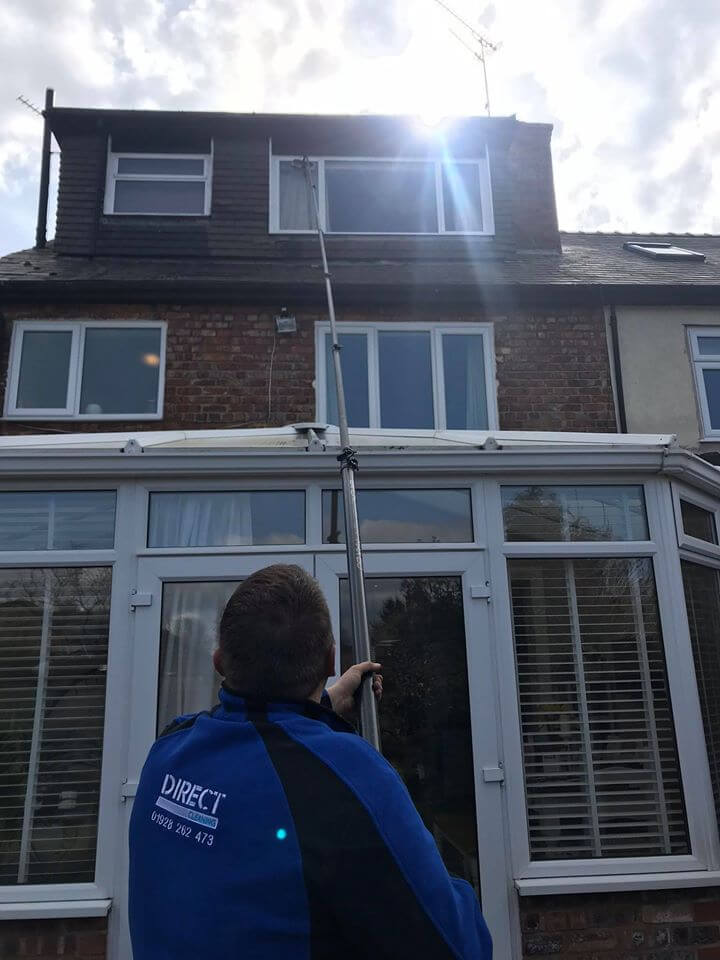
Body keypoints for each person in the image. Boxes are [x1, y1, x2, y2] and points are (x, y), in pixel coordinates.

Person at [129, 563, 492, 959]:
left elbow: (260, 742)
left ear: (218, 663)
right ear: (330, 659)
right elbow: (458, 947)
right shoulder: (352, 777)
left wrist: (320, 707)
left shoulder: (168, 750)